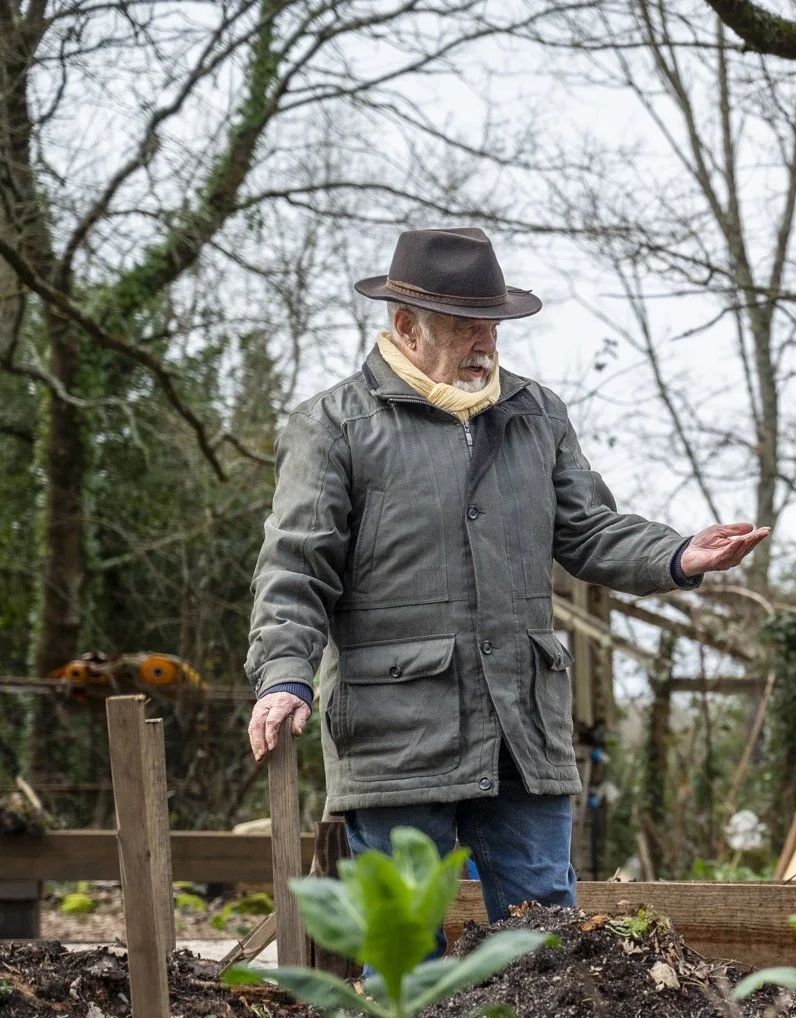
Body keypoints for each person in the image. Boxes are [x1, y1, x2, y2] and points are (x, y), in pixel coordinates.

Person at [243, 227, 767, 920]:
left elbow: (587, 529)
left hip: (523, 725)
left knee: (547, 946)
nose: (486, 344)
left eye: (493, 326)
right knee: (406, 945)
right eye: (466, 327)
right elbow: (295, 566)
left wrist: (677, 554)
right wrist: (284, 675)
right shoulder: (335, 425)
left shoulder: (536, 414)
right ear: (405, 326)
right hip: (396, 733)